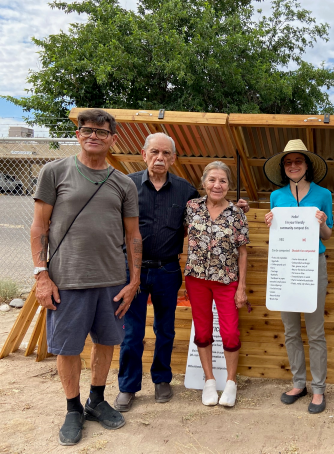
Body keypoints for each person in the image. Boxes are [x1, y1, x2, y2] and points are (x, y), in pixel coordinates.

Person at [30, 108, 141, 446]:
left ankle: (96, 398)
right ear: (78, 134)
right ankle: (73, 408)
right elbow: (39, 227)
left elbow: (133, 235)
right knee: (68, 348)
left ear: (113, 139)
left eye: (102, 131)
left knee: (107, 343)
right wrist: (41, 276)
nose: (94, 135)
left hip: (111, 280)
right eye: (87, 129)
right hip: (67, 280)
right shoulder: (54, 171)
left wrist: (134, 280)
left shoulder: (123, 182)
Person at [114, 133, 199, 411]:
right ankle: (128, 386)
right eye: (154, 152)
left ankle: (162, 379)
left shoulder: (185, 190)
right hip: (132, 271)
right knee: (132, 332)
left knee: (165, 329)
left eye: (165, 153)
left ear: (173, 158)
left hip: (167, 270)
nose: (159, 158)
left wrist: (239, 207)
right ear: (144, 154)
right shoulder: (126, 185)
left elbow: (208, 212)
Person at [263, 139, 333, 414]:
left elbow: (327, 236)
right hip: (284, 264)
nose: (293, 166)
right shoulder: (276, 196)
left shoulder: (323, 194)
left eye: (298, 161)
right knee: (291, 329)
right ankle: (298, 383)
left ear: (307, 165)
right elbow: (278, 236)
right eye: (288, 162)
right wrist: (271, 224)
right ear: (284, 167)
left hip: (313, 264)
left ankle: (318, 389)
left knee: (315, 331)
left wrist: (323, 223)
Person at [184, 161, 249, 407]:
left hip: (226, 281)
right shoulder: (191, 208)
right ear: (203, 183)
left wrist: (241, 287)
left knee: (230, 331)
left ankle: (231, 382)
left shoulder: (237, 213)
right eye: (212, 180)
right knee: (202, 330)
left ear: (229, 185)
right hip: (196, 279)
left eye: (222, 180)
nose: (217, 185)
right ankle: (209, 380)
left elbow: (243, 252)